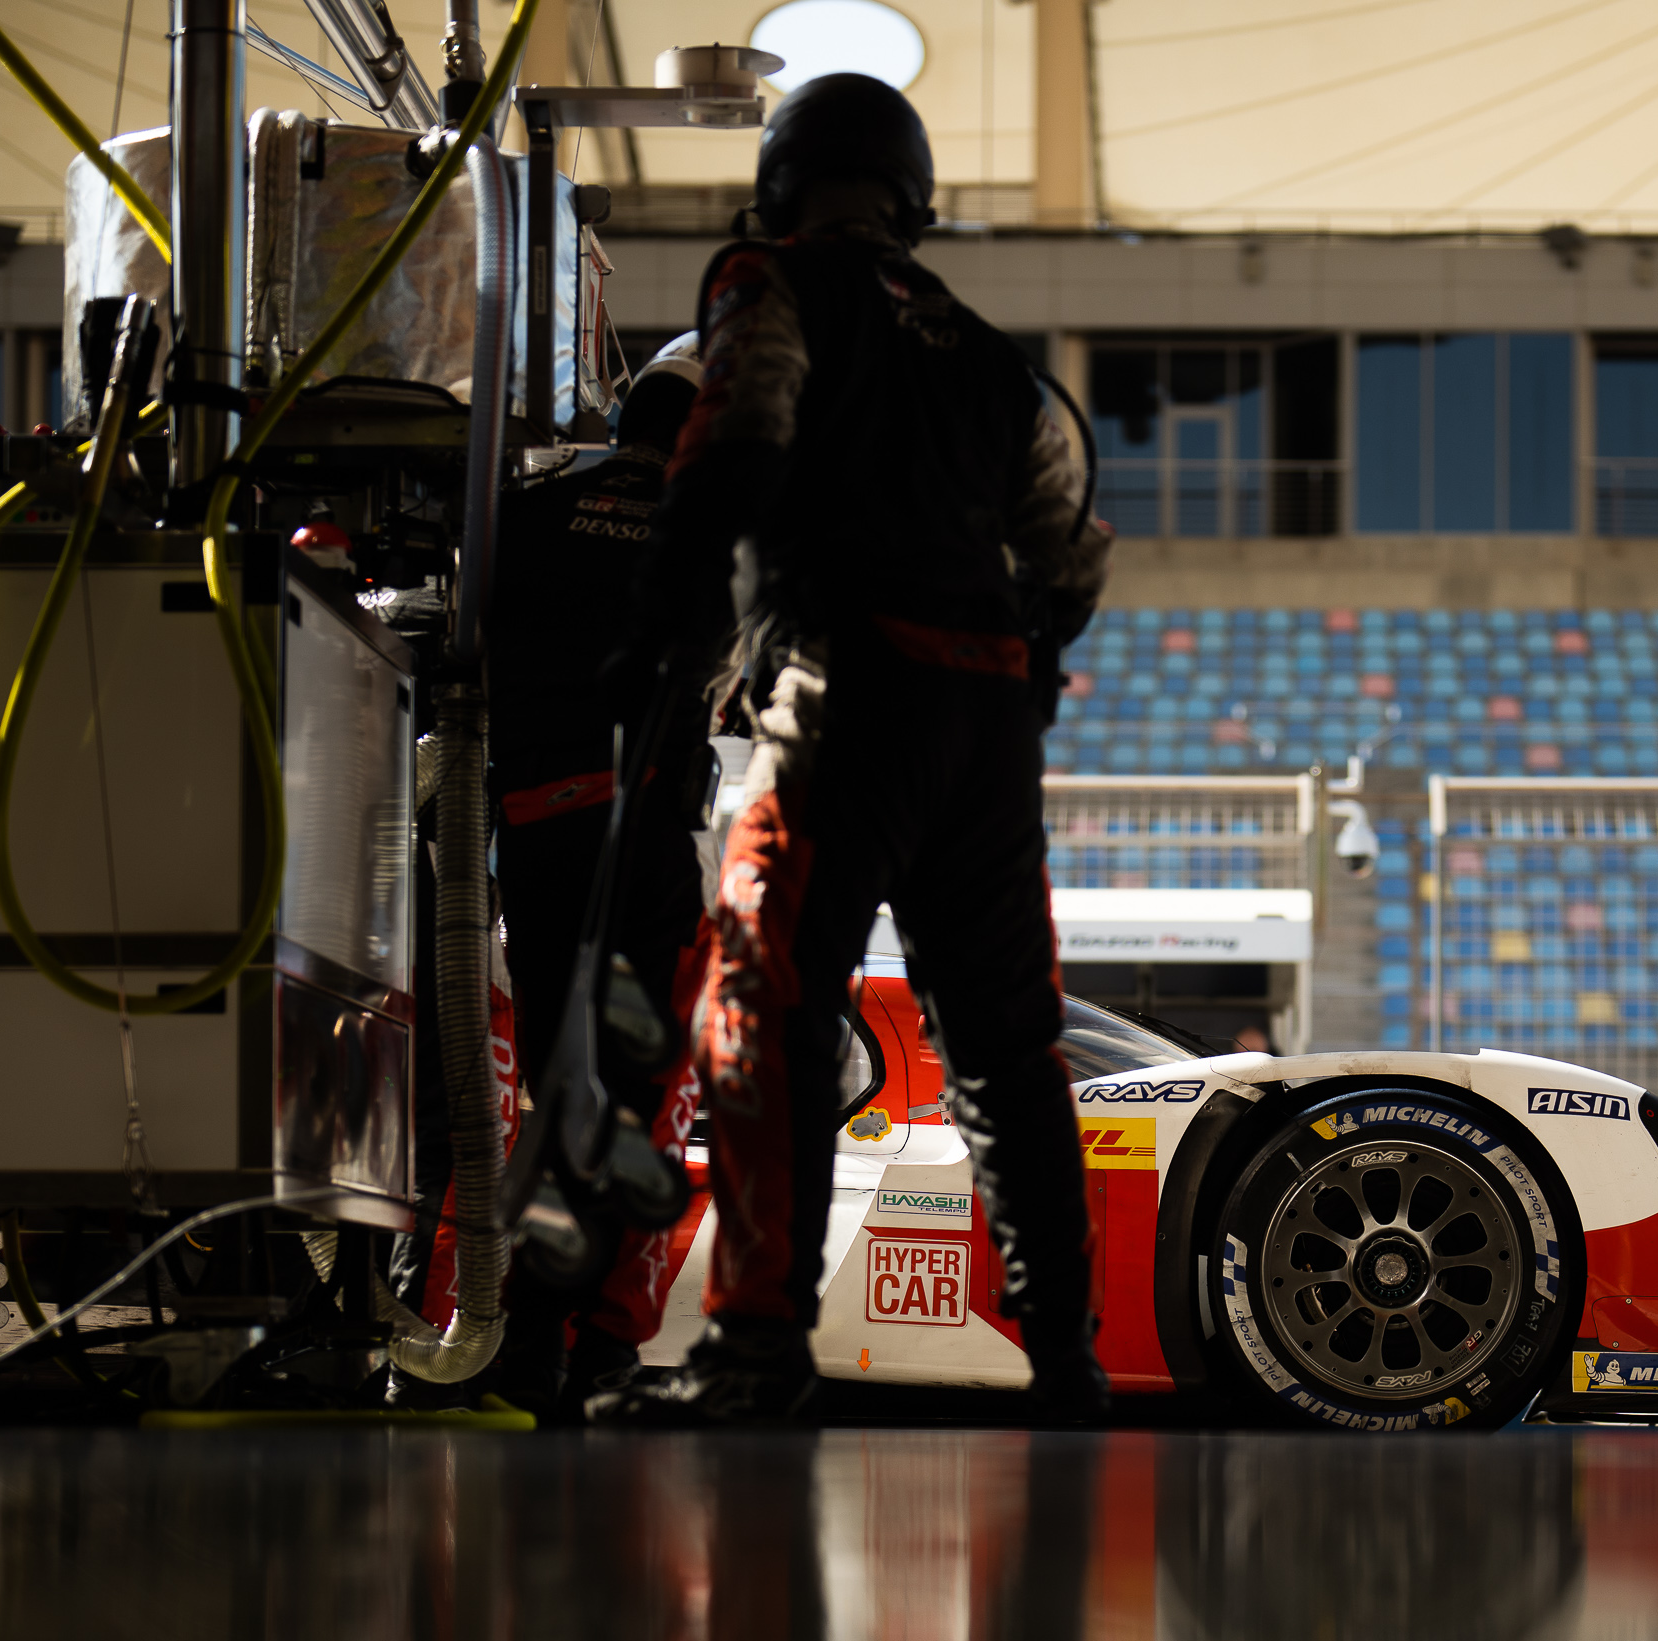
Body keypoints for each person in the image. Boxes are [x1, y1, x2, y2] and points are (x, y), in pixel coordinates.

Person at [592, 73, 1115, 1427]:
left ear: (780, 188)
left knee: (763, 1005)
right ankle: (1066, 1357)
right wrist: (1018, 694)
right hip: (987, 725)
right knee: (1008, 1047)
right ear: (914, 199)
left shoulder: (771, 281)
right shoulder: (1003, 362)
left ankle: (757, 1345)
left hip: (841, 695)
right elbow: (1070, 550)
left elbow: (736, 443)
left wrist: (663, 629)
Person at [390, 348, 717, 1414]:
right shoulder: (707, 523)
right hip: (641, 853)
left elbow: (448, 650)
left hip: (533, 847)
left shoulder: (526, 513)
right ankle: (574, 1345)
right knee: (631, 1105)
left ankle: (526, 1341)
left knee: (546, 1094)